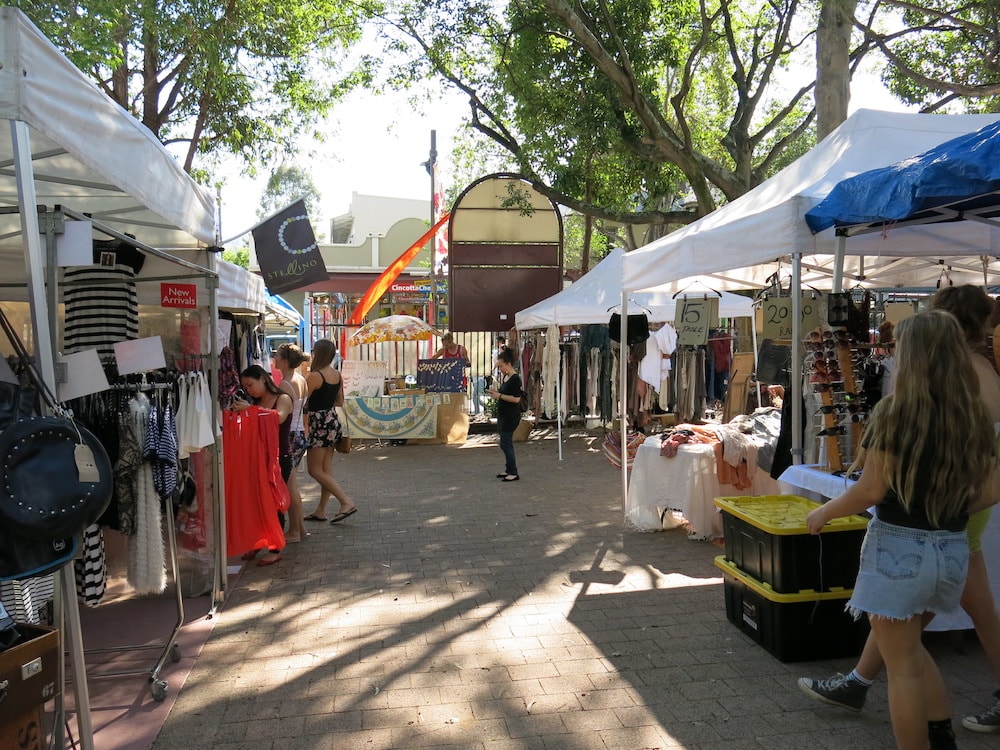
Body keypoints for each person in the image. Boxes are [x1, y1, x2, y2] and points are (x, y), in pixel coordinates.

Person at [800, 286, 1000, 740]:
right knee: (909, 652)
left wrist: (823, 514)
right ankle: (941, 734)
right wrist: (944, 505)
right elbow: (991, 488)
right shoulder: (972, 414)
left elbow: (872, 488)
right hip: (950, 548)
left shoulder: (895, 412)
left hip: (898, 548)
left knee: (904, 665)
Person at [233, 364, 294, 566]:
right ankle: (257, 542)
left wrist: (250, 410)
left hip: (279, 458)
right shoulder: (254, 403)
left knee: (274, 502)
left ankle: (275, 548)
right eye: (246, 387)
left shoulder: (282, 398)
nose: (249, 390)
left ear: (263, 378)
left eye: (251, 384)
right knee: (255, 502)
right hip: (258, 459)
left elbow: (279, 418)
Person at [303, 339, 357, 524]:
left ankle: (345, 501)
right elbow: (340, 401)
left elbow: (303, 403)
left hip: (318, 423)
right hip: (332, 420)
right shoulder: (336, 374)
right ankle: (320, 510)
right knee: (325, 469)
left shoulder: (315, 376)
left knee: (314, 470)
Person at [274, 343, 309, 543]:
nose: (274, 359)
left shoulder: (285, 384)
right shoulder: (300, 379)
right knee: (292, 484)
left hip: (290, 435)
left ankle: (294, 530)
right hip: (299, 433)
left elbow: (282, 414)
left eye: (277, 356)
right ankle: (300, 527)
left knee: (290, 485)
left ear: (285, 361)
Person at [488, 346, 522, 482]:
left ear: (508, 364)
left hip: (510, 416)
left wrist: (499, 396)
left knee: (506, 443)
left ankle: (513, 471)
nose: (500, 369)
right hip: (504, 415)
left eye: (501, 366)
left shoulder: (515, 379)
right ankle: (509, 469)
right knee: (504, 442)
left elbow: (516, 399)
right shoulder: (507, 377)